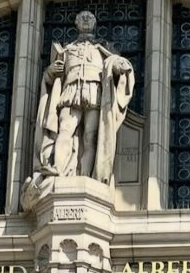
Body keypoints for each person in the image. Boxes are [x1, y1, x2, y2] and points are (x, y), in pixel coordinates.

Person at [36, 10, 134, 180]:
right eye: (82, 17)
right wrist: (50, 72)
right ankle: (58, 168)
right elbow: (52, 76)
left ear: (94, 23)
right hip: (71, 90)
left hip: (94, 90)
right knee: (65, 129)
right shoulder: (67, 49)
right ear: (76, 23)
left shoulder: (103, 47)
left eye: (90, 17)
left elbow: (115, 62)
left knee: (90, 136)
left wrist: (119, 66)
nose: (86, 19)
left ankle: (87, 177)